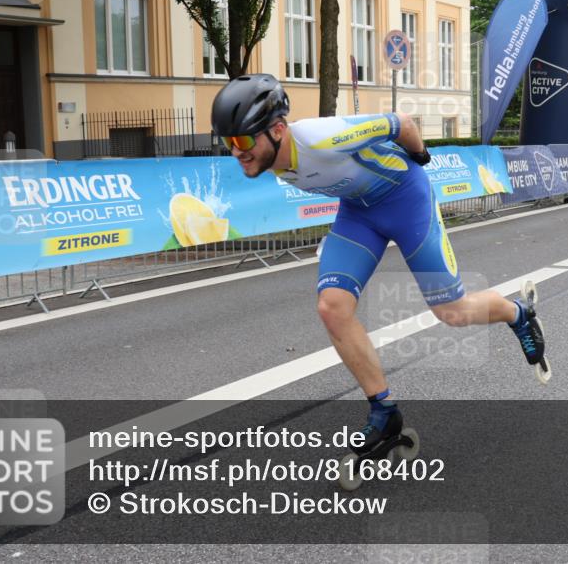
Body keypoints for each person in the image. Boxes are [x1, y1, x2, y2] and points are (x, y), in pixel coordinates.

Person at [211, 74, 549, 456]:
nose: (236, 152)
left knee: (451, 312)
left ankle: (518, 313)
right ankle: (384, 411)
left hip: (406, 201)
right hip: (359, 213)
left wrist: (420, 156)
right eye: (228, 142)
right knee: (332, 307)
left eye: (242, 141)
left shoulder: (319, 137)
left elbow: (402, 124)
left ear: (277, 130)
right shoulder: (269, 156)